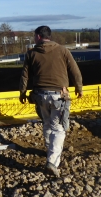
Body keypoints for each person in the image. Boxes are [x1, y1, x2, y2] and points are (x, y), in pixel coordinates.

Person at [19, 25, 83, 177]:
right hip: (59, 96)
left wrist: (22, 92)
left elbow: (24, 76)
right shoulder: (63, 50)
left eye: (35, 36)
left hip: (40, 96)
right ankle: (52, 162)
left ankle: (50, 152)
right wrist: (79, 87)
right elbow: (75, 70)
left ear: (39, 37)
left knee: (47, 124)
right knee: (58, 128)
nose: (34, 39)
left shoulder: (31, 53)